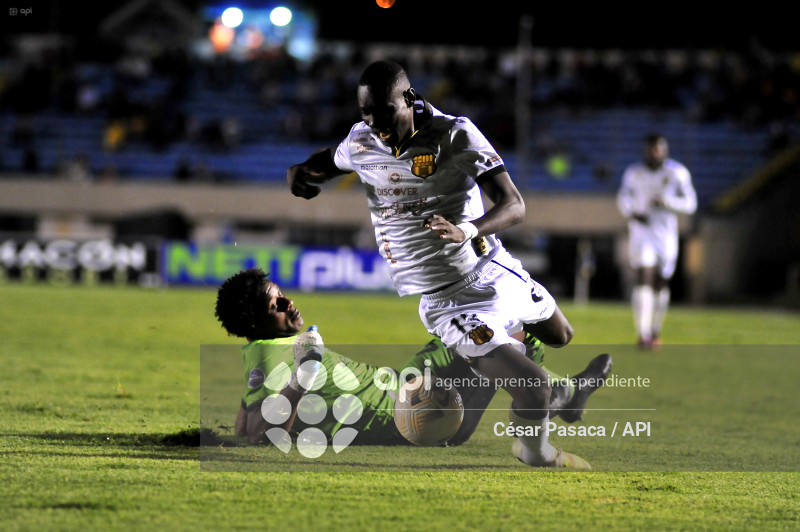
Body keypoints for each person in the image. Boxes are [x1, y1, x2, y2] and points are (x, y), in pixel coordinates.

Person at [287, 60, 610, 468]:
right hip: (448, 300)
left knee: (561, 335)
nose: (373, 122)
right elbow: (330, 160)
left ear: (407, 98)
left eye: (382, 112)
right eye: (365, 112)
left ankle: (535, 378)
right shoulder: (362, 141)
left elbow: (514, 205)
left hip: (493, 266)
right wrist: (301, 171)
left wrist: (469, 230)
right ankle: (537, 453)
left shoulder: (454, 134)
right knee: (533, 389)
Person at [215, 268, 611, 449]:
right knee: (497, 338)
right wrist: (306, 370)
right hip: (419, 418)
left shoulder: (260, 350)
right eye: (275, 304)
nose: (288, 302)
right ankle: (561, 395)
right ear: (255, 320)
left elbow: (244, 422)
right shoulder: (275, 356)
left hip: (404, 382)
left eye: (281, 293)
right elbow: (257, 435)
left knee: (486, 329)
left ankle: (564, 394)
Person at [617, 133, 697, 349]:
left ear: (665, 150)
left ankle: (654, 329)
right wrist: (632, 212)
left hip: (665, 234)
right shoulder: (634, 173)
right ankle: (643, 335)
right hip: (642, 232)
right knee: (645, 276)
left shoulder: (677, 173)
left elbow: (690, 203)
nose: (655, 152)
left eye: (658, 148)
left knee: (661, 283)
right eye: (651, 149)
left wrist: (668, 202)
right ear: (646, 150)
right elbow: (623, 197)